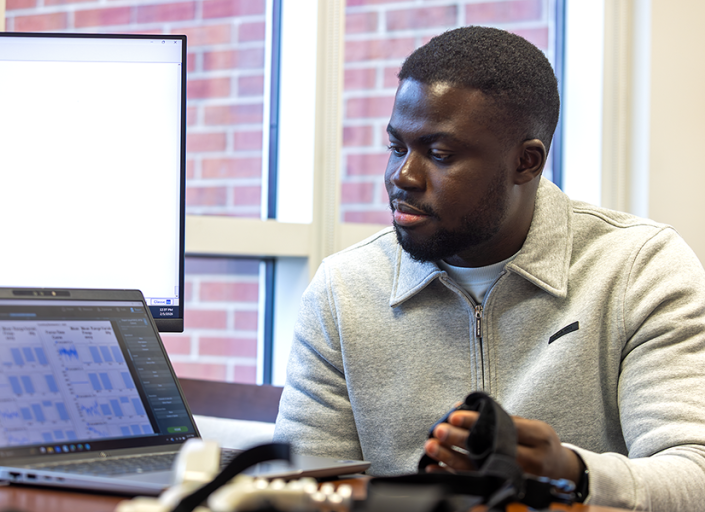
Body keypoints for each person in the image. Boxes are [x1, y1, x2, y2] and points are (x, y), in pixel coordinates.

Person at [273, 25, 705, 511]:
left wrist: (572, 473)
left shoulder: (640, 269)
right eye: (397, 147)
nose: (403, 176)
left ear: (526, 162)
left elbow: (694, 475)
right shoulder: (343, 290)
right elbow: (300, 487)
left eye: (439, 154)